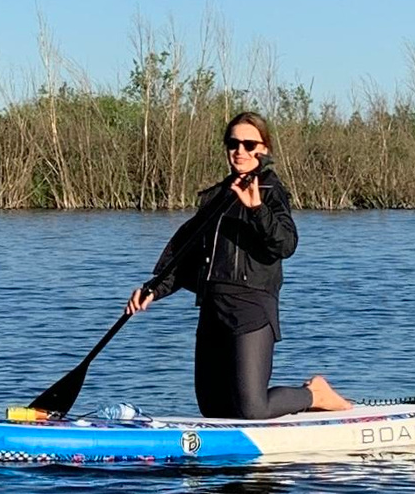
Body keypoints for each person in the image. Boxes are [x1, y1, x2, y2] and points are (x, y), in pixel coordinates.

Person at [124, 113, 356, 421]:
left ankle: (315, 394)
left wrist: (256, 208)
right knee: (214, 410)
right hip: (212, 308)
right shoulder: (215, 197)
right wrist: (153, 289)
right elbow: (187, 256)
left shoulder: (271, 192)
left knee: (252, 408)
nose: (240, 151)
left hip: (251, 309)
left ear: (264, 149)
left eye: (249, 144)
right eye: (233, 143)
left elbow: (285, 245)